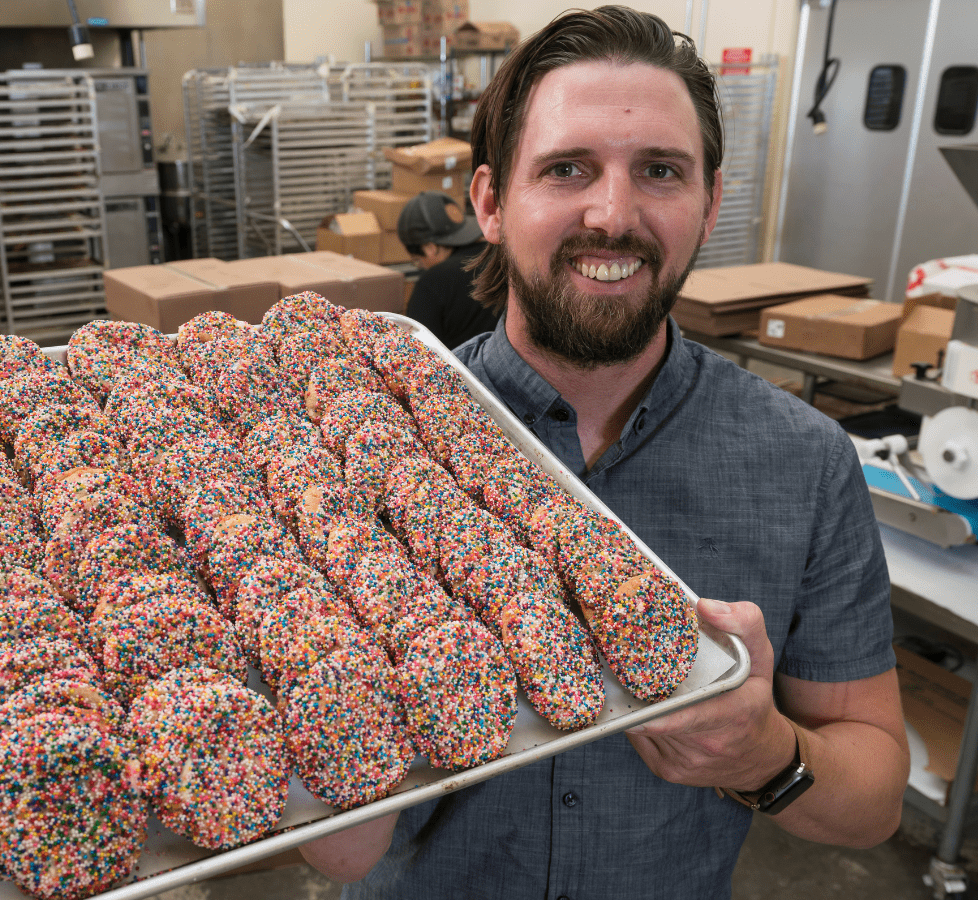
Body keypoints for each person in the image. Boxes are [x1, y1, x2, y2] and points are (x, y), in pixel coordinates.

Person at [299, 7, 909, 899]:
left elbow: (875, 800)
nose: (613, 215)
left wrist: (765, 753)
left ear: (709, 205)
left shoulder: (803, 464)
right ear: (491, 205)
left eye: (659, 171)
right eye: (567, 169)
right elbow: (338, 844)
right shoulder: (362, 447)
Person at [398, 190, 497, 347]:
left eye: (417, 261)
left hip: (461, 370)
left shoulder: (433, 282)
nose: (421, 267)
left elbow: (416, 350)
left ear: (430, 247)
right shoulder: (502, 257)